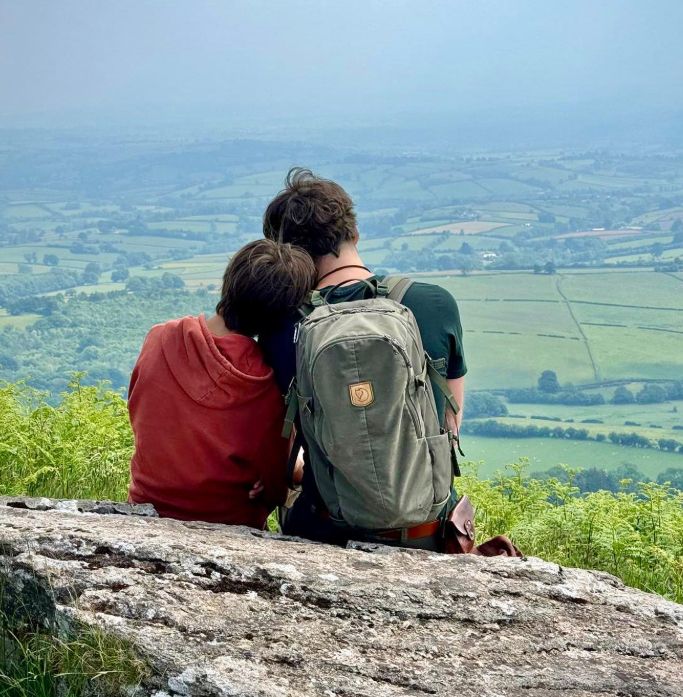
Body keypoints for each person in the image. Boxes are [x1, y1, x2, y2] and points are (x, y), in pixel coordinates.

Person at [259, 168, 467, 549]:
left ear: (288, 253)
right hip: (426, 532)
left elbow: (281, 447)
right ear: (354, 232)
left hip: (327, 533)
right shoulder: (434, 304)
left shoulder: (282, 325)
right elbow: (450, 425)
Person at [128, 239, 317, 529]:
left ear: (229, 281)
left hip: (147, 509)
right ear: (281, 316)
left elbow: (139, 413)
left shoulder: (159, 338)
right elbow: (274, 481)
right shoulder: (262, 384)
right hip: (226, 525)